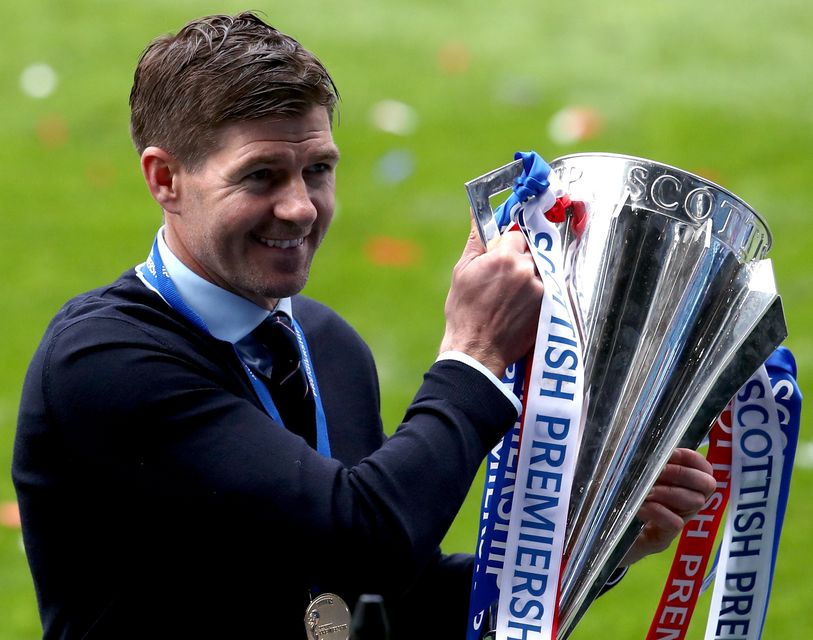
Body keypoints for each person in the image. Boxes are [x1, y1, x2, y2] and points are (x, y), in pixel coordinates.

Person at [12, 11, 715, 639]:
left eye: (317, 169)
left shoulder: (323, 345)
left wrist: (593, 543)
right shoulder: (107, 361)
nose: (300, 208)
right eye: (260, 177)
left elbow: (384, 595)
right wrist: (471, 357)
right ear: (165, 179)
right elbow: (360, 538)